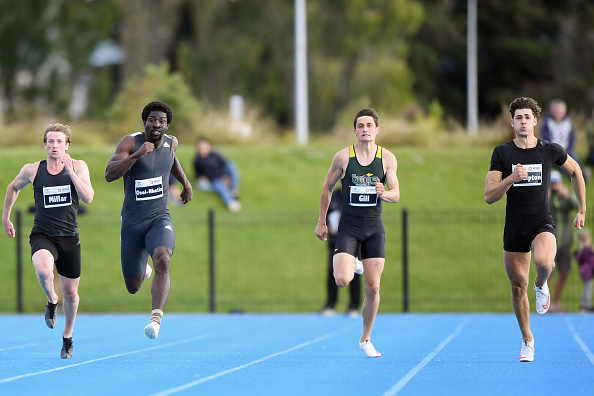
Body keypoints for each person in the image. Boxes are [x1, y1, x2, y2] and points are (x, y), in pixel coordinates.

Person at [484, 97, 586, 362]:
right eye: (518, 117)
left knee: (544, 263)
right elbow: (489, 195)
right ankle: (527, 341)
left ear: (535, 121)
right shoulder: (502, 153)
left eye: (527, 117)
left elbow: (576, 172)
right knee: (518, 286)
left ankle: (542, 284)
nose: (523, 121)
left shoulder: (548, 149)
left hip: (542, 222)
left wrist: (582, 209)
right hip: (514, 226)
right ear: (512, 123)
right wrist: (511, 178)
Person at [2, 123, 94, 359]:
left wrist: (71, 173)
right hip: (42, 234)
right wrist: (6, 217)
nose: (55, 146)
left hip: (69, 237)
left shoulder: (79, 166)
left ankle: (67, 336)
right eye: (51, 141)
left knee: (71, 294)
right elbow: (13, 188)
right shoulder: (33, 170)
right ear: (45, 145)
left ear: (67, 145)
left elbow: (88, 197)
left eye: (59, 142)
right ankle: (52, 300)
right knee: (44, 271)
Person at [315, 108, 400, 358]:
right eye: (360, 126)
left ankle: (365, 339)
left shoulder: (387, 159)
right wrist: (321, 222)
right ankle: (355, 264)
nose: (365, 130)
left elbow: (396, 193)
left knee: (373, 288)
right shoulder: (343, 158)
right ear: (355, 131)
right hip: (349, 228)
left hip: (374, 229)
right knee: (342, 279)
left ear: (376, 130)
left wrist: (383, 192)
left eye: (369, 125)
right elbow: (326, 189)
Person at [105, 100, 193, 339]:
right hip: (133, 222)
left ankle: (155, 319)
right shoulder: (130, 142)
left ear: (167, 125)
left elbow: (171, 159)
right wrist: (136, 155)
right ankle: (142, 270)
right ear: (145, 122)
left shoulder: (171, 142)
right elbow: (109, 174)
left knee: (163, 259)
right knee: (133, 287)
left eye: (162, 121)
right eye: (152, 120)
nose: (157, 124)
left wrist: (185, 183)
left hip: (158, 217)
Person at [320, 185, 361, 317]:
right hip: (336, 240)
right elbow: (326, 213)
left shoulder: (356, 194)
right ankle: (330, 304)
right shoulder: (333, 196)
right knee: (333, 271)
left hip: (353, 240)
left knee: (354, 270)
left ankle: (353, 305)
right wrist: (326, 225)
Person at [548, 170, 579, 312]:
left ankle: (556, 302)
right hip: (551, 241)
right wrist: (546, 196)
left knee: (564, 271)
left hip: (565, 240)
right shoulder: (548, 198)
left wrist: (568, 195)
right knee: (548, 271)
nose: (554, 186)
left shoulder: (564, 197)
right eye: (552, 183)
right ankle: (546, 304)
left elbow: (578, 207)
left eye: (556, 183)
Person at [192, 137, 241, 212]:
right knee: (219, 185)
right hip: (213, 179)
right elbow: (208, 174)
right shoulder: (198, 161)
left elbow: (224, 164)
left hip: (222, 175)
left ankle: (234, 190)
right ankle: (230, 201)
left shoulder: (215, 154)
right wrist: (222, 177)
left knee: (231, 165)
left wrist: (225, 176)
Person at [575, 228, 594, 312]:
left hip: (588, 272)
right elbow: (585, 258)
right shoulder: (584, 250)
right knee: (588, 289)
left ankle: (586, 305)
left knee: (588, 288)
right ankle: (586, 306)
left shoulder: (585, 250)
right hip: (586, 272)